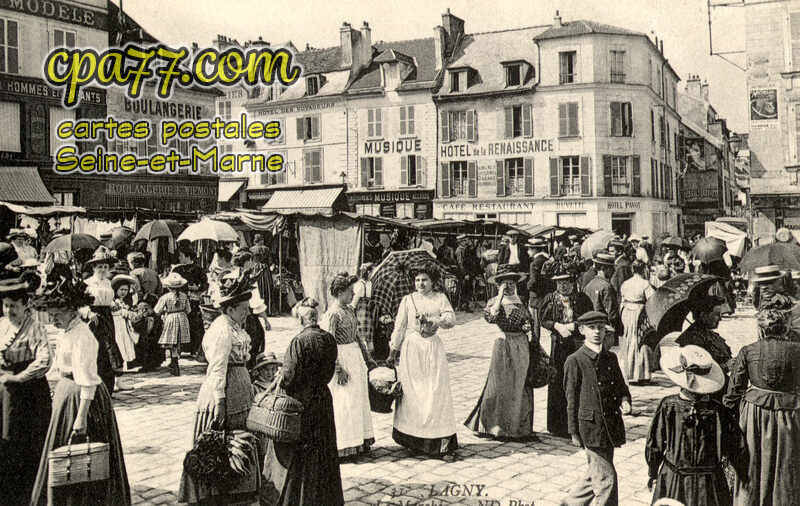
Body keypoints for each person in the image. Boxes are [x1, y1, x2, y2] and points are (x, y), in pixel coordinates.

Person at [30, 271, 130, 506]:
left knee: (82, 457)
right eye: (51, 315)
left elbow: (87, 380)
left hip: (82, 400)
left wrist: (81, 417)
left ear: (72, 310)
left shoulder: (83, 336)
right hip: (67, 395)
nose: (53, 320)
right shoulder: (68, 331)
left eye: (57, 315)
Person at [178, 270, 257, 505]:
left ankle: (238, 489)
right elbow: (217, 368)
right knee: (221, 438)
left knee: (239, 437)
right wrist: (220, 401)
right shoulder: (222, 330)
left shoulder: (234, 325)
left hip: (240, 387)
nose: (247, 312)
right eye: (243, 308)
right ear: (230, 309)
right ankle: (214, 491)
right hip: (227, 390)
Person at [262, 297, 344, 505]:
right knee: (323, 447)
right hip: (323, 398)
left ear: (301, 320)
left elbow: (289, 377)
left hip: (303, 402)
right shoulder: (329, 339)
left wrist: (281, 376)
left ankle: (300, 498)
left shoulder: (298, 341)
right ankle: (325, 497)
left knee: (302, 451)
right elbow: (329, 369)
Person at [647, 345, 748, 506]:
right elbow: (736, 446)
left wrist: (653, 472)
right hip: (709, 484)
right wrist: (743, 475)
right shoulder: (718, 410)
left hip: (674, 481)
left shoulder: (668, 406)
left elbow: (655, 444)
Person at [723, 309, 800, 505]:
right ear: (786, 328)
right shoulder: (797, 350)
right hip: (789, 415)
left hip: (754, 415)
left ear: (762, 329)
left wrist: (727, 420)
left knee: (752, 462)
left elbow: (734, 390)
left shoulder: (748, 350)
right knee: (787, 464)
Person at [388, 264, 458, 459]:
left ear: (432, 281)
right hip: (412, 349)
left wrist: (434, 319)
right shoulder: (408, 300)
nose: (420, 283)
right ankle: (413, 441)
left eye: (424, 280)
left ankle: (439, 443)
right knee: (414, 393)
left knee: (435, 392)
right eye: (417, 280)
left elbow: (451, 319)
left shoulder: (440, 298)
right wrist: (393, 350)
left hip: (433, 349)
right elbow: (399, 326)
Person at [562, 311, 631, 506]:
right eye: (592, 328)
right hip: (591, 428)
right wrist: (573, 431)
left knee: (595, 473)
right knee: (607, 480)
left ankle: (570, 503)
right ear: (582, 330)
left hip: (610, 425)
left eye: (600, 328)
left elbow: (621, 386)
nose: (597, 332)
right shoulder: (575, 360)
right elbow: (571, 400)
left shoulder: (610, 358)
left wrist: (625, 400)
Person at [464, 264, 535, 441]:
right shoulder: (494, 302)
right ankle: (496, 426)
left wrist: (528, 328)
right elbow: (490, 317)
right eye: (504, 283)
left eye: (511, 282)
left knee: (520, 383)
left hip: (521, 343)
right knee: (500, 383)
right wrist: (500, 296)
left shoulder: (520, 300)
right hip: (504, 343)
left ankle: (518, 426)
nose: (509, 286)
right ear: (498, 285)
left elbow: (528, 320)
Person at [0, 278, 52, 505]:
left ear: (25, 305)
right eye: (5, 305)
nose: (9, 311)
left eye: (14, 306)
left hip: (29, 394)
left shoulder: (35, 327)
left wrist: (19, 377)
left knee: (25, 443)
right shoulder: (2, 325)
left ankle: (27, 496)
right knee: (6, 442)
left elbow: (45, 361)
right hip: (5, 394)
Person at [321, 272, 375, 459]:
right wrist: (338, 369)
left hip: (354, 358)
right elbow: (329, 343)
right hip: (341, 358)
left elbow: (358, 335)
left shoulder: (350, 310)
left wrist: (368, 358)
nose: (353, 294)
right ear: (339, 293)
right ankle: (344, 445)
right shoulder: (332, 314)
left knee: (357, 400)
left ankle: (359, 441)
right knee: (345, 402)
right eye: (350, 291)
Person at [539, 269, 593, 437]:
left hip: (577, 344)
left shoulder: (582, 299)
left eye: (566, 282)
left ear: (572, 283)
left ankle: (577, 423)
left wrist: (575, 325)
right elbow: (543, 319)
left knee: (576, 379)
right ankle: (557, 425)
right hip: (558, 346)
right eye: (559, 282)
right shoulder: (550, 299)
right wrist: (556, 325)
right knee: (558, 380)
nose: (563, 286)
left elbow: (589, 318)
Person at [83, 246, 124, 395]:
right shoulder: (87, 283)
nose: (102, 269)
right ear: (94, 267)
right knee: (97, 349)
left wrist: (112, 304)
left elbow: (108, 298)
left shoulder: (107, 282)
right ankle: (95, 387)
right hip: (94, 317)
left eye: (105, 267)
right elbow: (80, 302)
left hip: (107, 317)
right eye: (99, 266)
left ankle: (108, 388)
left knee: (109, 348)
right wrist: (88, 313)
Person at [675, 295, 733, 399]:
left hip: (718, 386)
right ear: (703, 315)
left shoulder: (707, 334)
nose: (720, 318)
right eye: (716, 314)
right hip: (704, 392)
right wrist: (726, 366)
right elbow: (697, 371)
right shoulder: (692, 338)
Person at [620, 260, 655, 384]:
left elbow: (622, 299)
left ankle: (629, 372)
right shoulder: (645, 284)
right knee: (641, 340)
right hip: (640, 312)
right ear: (643, 269)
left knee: (629, 340)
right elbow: (652, 300)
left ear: (632, 269)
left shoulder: (625, 283)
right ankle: (641, 374)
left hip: (626, 312)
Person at [171, 243, 208, 360]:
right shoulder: (176, 269)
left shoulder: (198, 270)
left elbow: (205, 284)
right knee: (179, 324)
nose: (179, 258)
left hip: (193, 300)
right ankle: (180, 349)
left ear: (187, 256)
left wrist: (197, 288)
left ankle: (194, 349)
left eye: (181, 255)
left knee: (194, 324)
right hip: (179, 300)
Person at [155, 272, 191, 376]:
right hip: (182, 317)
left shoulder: (165, 297)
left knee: (172, 341)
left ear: (168, 287)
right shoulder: (184, 296)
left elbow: (157, 310)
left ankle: (174, 362)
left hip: (171, 318)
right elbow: (188, 310)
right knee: (178, 340)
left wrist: (165, 311)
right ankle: (175, 360)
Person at [583, 251, 620, 350]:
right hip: (604, 330)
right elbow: (612, 313)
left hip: (590, 328)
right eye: (611, 268)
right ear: (604, 268)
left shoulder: (589, 285)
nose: (613, 271)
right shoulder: (606, 287)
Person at [111, 271, 139, 390]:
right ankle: (113, 381)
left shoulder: (124, 302)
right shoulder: (112, 301)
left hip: (124, 328)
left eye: (126, 290)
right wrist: (124, 312)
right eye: (121, 290)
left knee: (123, 353)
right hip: (116, 328)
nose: (123, 292)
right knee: (117, 352)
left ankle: (119, 381)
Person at [526, 238, 551, 341]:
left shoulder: (534, 263)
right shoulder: (546, 260)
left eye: (529, 249)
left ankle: (535, 343)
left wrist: (527, 286)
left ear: (535, 249)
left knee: (535, 321)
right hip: (545, 293)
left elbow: (533, 281)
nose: (528, 251)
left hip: (536, 296)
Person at [352, 263, 378, 358]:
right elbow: (354, 301)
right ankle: (363, 356)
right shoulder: (360, 284)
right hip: (361, 311)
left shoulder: (369, 283)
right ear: (368, 272)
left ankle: (369, 356)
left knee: (368, 334)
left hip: (368, 311)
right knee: (362, 333)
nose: (372, 274)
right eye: (372, 272)